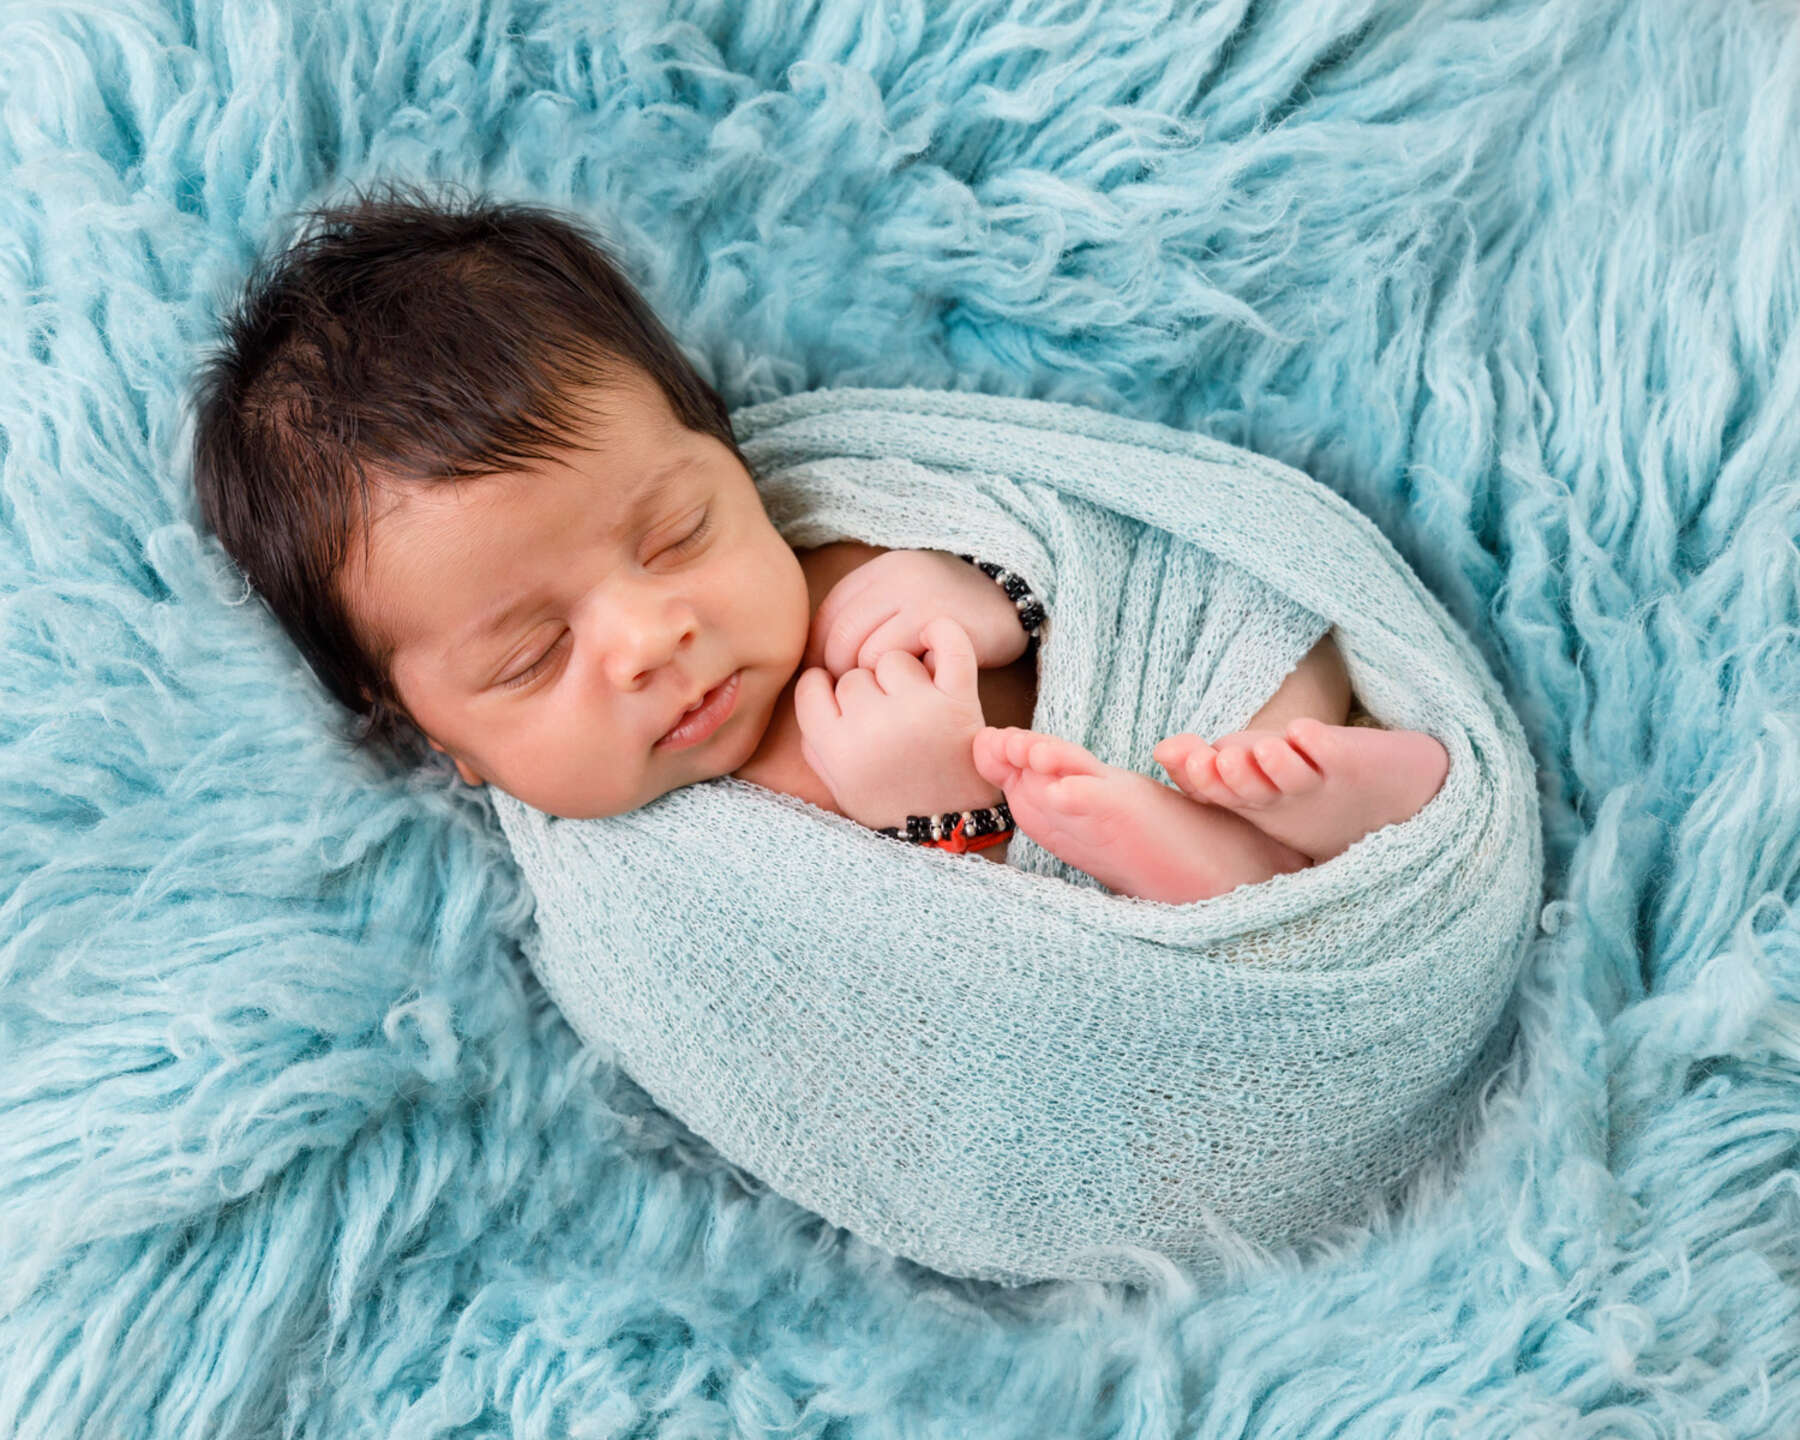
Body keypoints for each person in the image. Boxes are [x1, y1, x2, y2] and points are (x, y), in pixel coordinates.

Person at [191, 185, 1448, 904]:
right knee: (1160, 873)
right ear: (427, 733)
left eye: (677, 532)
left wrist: (978, 594)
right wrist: (940, 820)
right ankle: (1244, 864)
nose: (648, 641)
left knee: (1260, 660)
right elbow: (929, 1016)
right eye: (529, 657)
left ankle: (1342, 797)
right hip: (1098, 918)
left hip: (1185, 714)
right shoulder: (668, 887)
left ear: (726, 452)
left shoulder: (824, 557)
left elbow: (1111, 549)